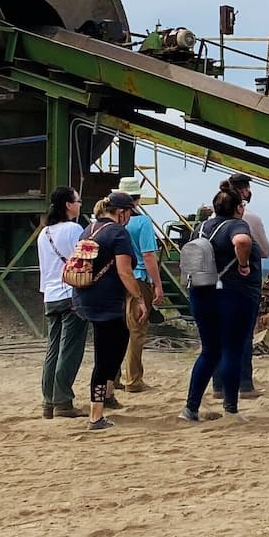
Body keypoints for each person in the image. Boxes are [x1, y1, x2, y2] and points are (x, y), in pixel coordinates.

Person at [72, 190, 151, 432]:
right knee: (105, 356)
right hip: (106, 301)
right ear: (121, 212)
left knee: (118, 341)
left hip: (85, 296)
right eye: (129, 212)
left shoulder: (91, 228)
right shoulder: (118, 232)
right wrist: (139, 298)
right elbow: (125, 271)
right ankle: (96, 415)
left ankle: (106, 394)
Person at [186, 189, 258, 421]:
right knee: (232, 350)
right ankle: (231, 409)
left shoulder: (201, 228)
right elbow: (242, 241)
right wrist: (244, 265)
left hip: (200, 292)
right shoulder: (236, 225)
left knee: (209, 351)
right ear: (238, 208)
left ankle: (191, 408)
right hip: (230, 293)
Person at [35, 187, 87, 419]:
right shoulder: (74, 229)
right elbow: (84, 259)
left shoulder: (43, 233)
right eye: (77, 201)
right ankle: (63, 401)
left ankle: (48, 401)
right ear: (68, 204)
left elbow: (45, 270)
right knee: (70, 349)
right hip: (71, 293)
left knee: (52, 348)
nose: (79, 204)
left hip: (51, 295)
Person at [221, 173, 269, 399]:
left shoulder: (210, 218)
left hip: (216, 283)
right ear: (244, 192)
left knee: (219, 336)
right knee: (243, 336)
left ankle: (218, 386)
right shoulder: (250, 218)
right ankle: (245, 384)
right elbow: (265, 251)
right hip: (244, 283)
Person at [115, 178, 164, 394]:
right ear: (137, 199)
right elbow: (148, 255)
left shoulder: (112, 222)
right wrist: (158, 284)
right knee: (137, 329)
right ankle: (133, 380)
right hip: (139, 277)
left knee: (117, 328)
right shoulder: (142, 222)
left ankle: (113, 377)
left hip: (116, 278)